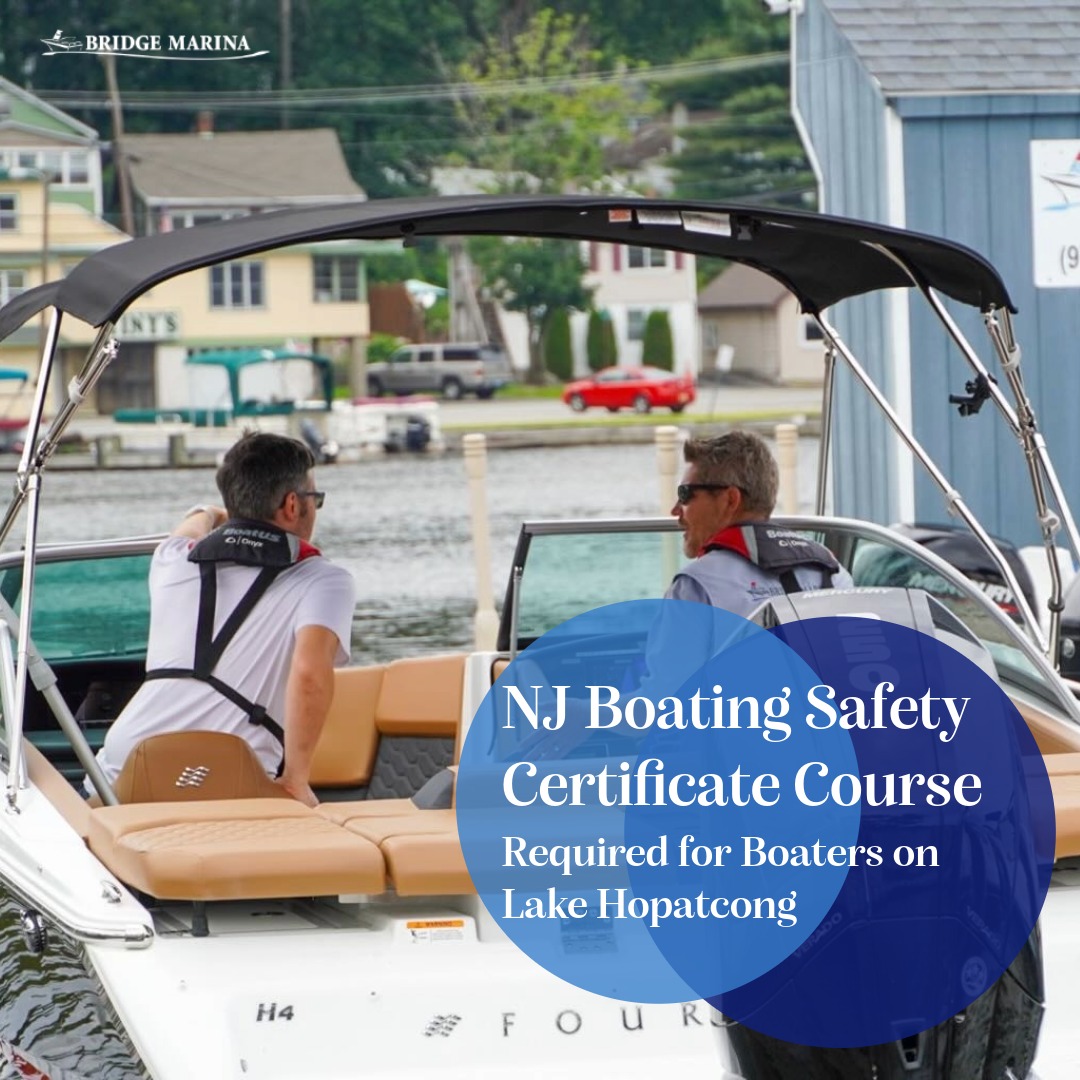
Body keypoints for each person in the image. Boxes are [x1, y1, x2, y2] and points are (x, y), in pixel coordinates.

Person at [91, 432, 356, 807]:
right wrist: (297, 780)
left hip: (124, 765)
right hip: (222, 774)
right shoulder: (322, 580)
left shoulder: (173, 560)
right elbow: (310, 674)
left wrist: (220, 512)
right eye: (316, 498)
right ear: (293, 504)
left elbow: (193, 525)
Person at [666, 431, 852, 616]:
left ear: (730, 500)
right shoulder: (834, 573)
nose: (675, 510)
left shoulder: (695, 587)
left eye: (685, 494)